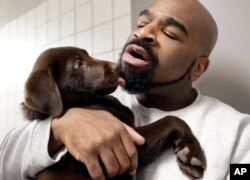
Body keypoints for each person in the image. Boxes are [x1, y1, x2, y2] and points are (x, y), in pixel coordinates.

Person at [1, 0, 250, 179]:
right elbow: (4, 163)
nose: (144, 33)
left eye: (169, 33)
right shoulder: (92, 96)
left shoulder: (238, 131)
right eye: (142, 22)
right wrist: (59, 128)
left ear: (197, 69)